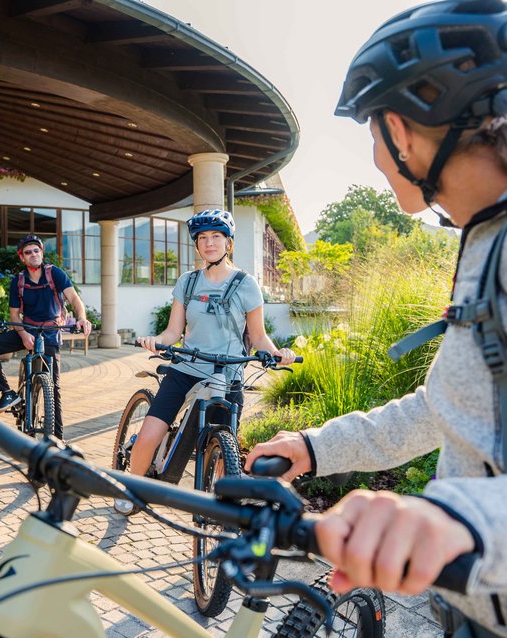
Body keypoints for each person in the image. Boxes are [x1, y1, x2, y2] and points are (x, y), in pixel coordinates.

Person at [246, 2, 507, 635]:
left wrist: (458, 518)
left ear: (401, 129)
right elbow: (442, 407)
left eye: (370, 133)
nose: (374, 156)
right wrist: (314, 446)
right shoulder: (485, 242)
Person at [114, 209, 296, 515]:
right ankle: (133, 486)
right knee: (149, 435)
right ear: (197, 245)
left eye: (216, 237)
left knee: (228, 453)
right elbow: (174, 331)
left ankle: (222, 510)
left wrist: (278, 353)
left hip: (228, 374)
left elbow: (259, 336)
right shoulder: (187, 282)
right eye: (202, 238)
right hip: (187, 368)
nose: (209, 243)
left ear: (228, 243)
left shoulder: (246, 284)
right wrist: (157, 342)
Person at [0, 234, 91, 441]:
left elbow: (74, 298)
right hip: (26, 330)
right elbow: (13, 315)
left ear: (41, 253)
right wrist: (22, 334)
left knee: (53, 387)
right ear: (22, 258)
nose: (33, 255)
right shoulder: (18, 281)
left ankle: (57, 439)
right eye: (28, 252)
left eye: (36, 250)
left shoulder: (54, 273)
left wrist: (82, 318)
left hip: (49, 333)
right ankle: (6, 393)